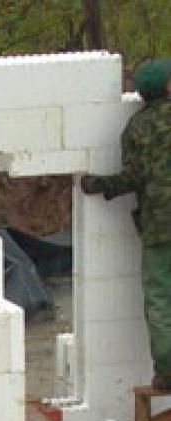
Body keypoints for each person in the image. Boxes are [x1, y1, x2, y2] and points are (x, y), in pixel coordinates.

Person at [80, 58, 171, 389]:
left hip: (160, 228)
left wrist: (96, 185)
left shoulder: (136, 128)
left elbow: (132, 177)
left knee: (160, 299)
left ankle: (168, 373)